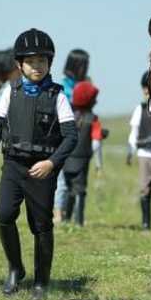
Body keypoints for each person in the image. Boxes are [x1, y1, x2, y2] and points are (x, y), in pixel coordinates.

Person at [0, 29, 78, 300]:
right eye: (31, 61)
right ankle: (16, 268)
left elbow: (71, 137)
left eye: (42, 61)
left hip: (42, 169)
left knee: (40, 225)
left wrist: (51, 163)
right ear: (19, 65)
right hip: (14, 166)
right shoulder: (10, 91)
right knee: (4, 215)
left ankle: (41, 282)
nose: (37, 66)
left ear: (49, 63)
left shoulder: (58, 96)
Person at [54, 49, 91, 221]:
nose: (86, 68)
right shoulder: (64, 85)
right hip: (64, 133)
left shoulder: (86, 83)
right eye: (84, 65)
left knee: (78, 180)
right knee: (62, 179)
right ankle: (60, 213)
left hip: (82, 137)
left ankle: (74, 216)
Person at [61, 81, 103, 226]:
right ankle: (79, 221)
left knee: (68, 189)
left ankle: (65, 219)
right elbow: (96, 144)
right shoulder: (94, 119)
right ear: (90, 101)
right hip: (83, 160)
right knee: (80, 190)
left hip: (66, 159)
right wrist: (99, 163)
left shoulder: (68, 116)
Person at [127, 71, 151, 230]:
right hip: (144, 153)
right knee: (144, 188)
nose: (147, 91)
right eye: (145, 88)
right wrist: (130, 150)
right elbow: (134, 132)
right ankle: (146, 223)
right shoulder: (140, 109)